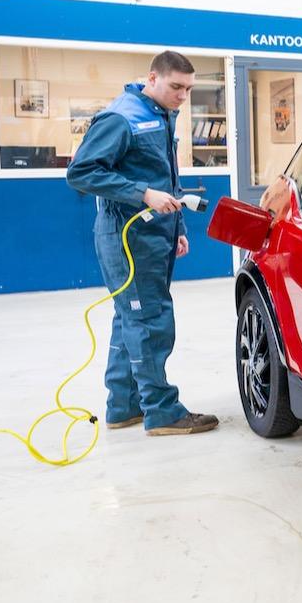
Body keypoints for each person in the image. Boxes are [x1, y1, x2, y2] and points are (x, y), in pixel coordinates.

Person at [66, 51, 219, 437]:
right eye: (176, 86)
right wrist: (142, 193)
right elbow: (81, 172)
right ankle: (162, 412)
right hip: (127, 235)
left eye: (188, 89)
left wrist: (177, 226)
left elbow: (165, 175)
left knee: (129, 318)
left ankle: (123, 406)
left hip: (154, 233)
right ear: (152, 78)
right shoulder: (122, 117)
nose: (183, 96)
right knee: (150, 320)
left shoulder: (162, 114)